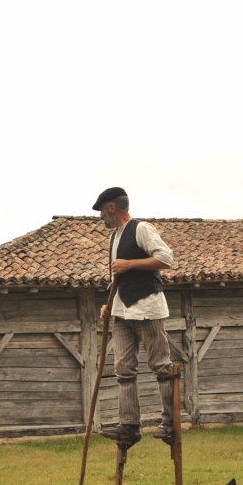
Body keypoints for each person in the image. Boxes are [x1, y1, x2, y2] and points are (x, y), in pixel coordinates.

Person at [92, 187, 175, 447]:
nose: (101, 218)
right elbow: (118, 278)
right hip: (122, 311)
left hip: (147, 307)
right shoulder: (113, 238)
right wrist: (108, 304)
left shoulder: (142, 229)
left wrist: (130, 263)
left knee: (161, 365)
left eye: (102, 212)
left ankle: (170, 424)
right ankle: (129, 427)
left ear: (112, 209)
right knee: (123, 370)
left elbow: (166, 259)